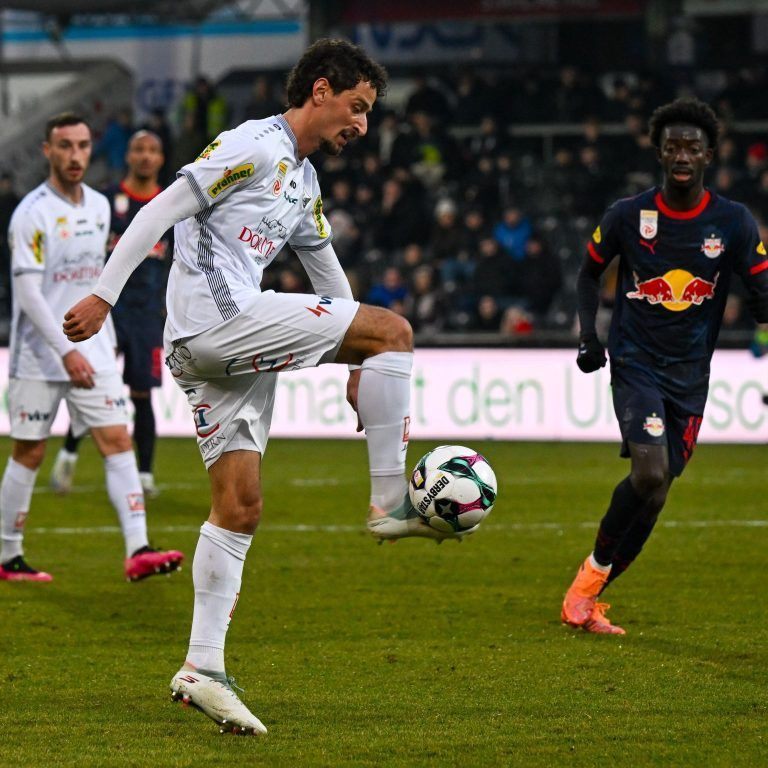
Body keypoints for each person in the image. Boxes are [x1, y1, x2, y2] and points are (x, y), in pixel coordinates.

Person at [63, 39, 459, 737]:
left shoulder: (303, 180)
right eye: (357, 107)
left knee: (240, 508)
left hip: (218, 353)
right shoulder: (253, 145)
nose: (362, 124)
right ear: (321, 90)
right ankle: (390, 500)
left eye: (368, 113)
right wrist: (103, 295)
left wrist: (359, 362)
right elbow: (158, 211)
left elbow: (325, 269)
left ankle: (202, 668)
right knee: (395, 329)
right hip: (219, 323)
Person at [561, 97, 768, 635]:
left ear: (709, 155)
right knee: (649, 472)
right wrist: (589, 336)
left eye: (692, 148)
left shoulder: (733, 222)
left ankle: (591, 593)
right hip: (636, 363)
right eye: (672, 146)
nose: (682, 155)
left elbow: (761, 286)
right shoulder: (628, 215)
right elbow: (588, 274)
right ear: (658, 152)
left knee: (656, 494)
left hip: (691, 377)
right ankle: (584, 587)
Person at [0, 112, 184, 583]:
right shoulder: (31, 214)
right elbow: (29, 295)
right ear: (48, 151)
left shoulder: (101, 207)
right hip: (40, 355)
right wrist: (65, 352)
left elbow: (97, 279)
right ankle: (8, 555)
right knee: (29, 451)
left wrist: (103, 341)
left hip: (95, 348)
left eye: (83, 146)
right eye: (65, 146)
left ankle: (138, 548)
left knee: (117, 439)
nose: (75, 155)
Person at [49, 130, 171, 498]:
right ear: (128, 156)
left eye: (152, 150)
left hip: (147, 316)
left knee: (142, 394)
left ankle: (145, 475)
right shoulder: (104, 202)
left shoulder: (172, 204)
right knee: (94, 386)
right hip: (106, 312)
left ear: (161, 159)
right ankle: (69, 453)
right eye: (139, 149)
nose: (145, 156)